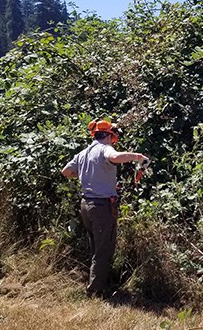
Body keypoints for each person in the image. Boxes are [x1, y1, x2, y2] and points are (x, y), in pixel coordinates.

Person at [61, 119, 149, 297]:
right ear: (109, 135)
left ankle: (98, 283)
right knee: (104, 250)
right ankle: (96, 292)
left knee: (96, 247)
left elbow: (66, 172)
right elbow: (115, 157)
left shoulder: (83, 153)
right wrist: (138, 157)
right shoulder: (104, 148)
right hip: (101, 207)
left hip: (86, 205)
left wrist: (88, 173)